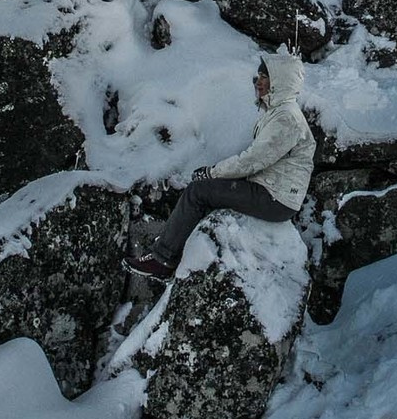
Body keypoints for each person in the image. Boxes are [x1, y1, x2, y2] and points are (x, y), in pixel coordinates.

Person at [126, 50, 311, 280]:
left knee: (197, 191)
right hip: (273, 191)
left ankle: (163, 259)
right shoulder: (279, 113)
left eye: (264, 76)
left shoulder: (286, 118)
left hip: (276, 198)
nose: (257, 81)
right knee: (211, 189)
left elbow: (253, 160)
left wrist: (212, 173)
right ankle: (175, 244)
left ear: (280, 82)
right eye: (258, 75)